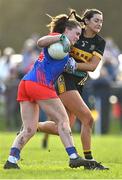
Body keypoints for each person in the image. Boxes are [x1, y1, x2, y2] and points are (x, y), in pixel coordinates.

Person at [4, 13, 95, 170]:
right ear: (67, 30)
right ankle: (74, 157)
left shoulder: (66, 50)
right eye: (77, 34)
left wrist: (74, 65)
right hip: (39, 84)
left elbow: (66, 66)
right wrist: (59, 38)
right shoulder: (58, 37)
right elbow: (40, 42)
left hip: (26, 84)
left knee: (30, 129)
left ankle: (11, 160)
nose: (78, 38)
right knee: (63, 121)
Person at [37, 9, 109, 170]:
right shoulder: (76, 32)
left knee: (65, 127)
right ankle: (89, 161)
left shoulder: (100, 42)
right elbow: (54, 44)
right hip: (65, 80)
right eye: (96, 20)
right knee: (88, 119)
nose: (99, 24)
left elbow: (92, 66)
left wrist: (74, 64)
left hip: (80, 83)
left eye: (101, 21)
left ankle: (32, 126)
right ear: (87, 21)